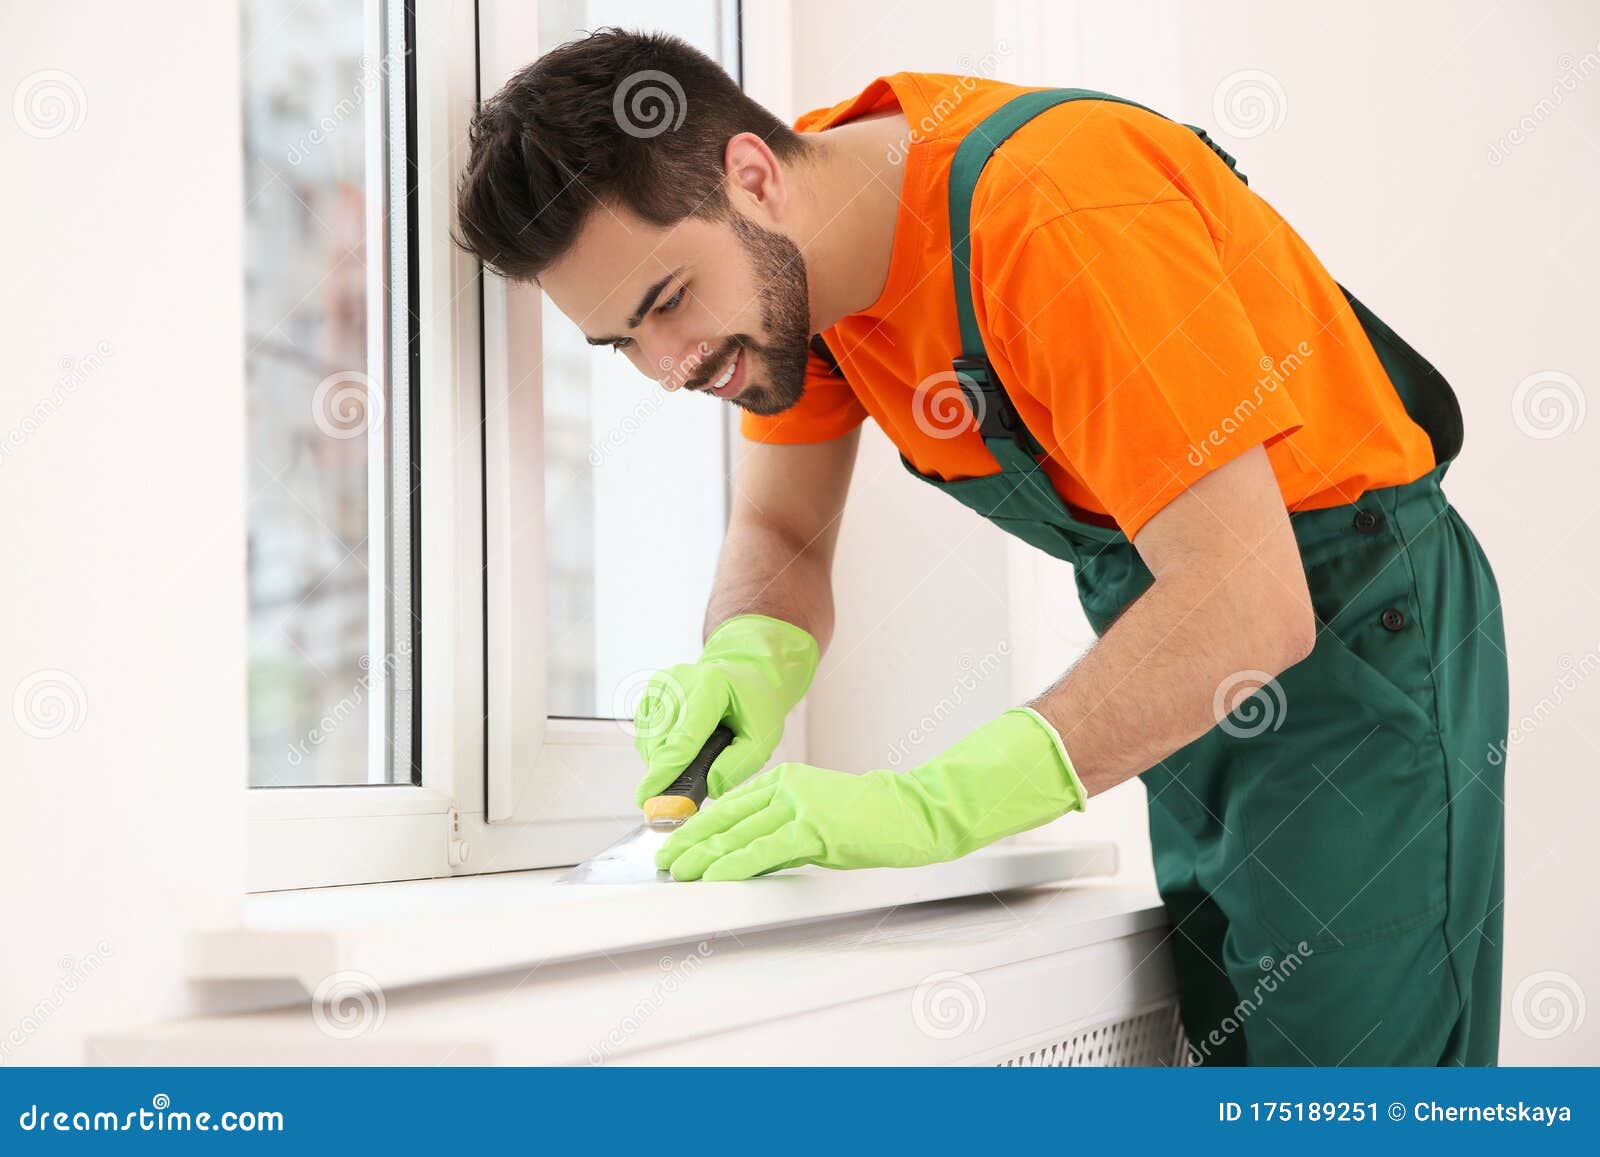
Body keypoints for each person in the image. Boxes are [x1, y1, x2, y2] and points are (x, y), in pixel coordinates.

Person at [454, 29, 1508, 1066]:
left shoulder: (1059, 213)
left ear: (753, 177)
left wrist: (932, 807)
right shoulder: (795, 263)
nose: (668, 369)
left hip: (1355, 638)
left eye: (667, 303)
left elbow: (1247, 598)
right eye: (619, 342)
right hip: (1182, 664)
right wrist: (745, 659)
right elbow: (778, 529)